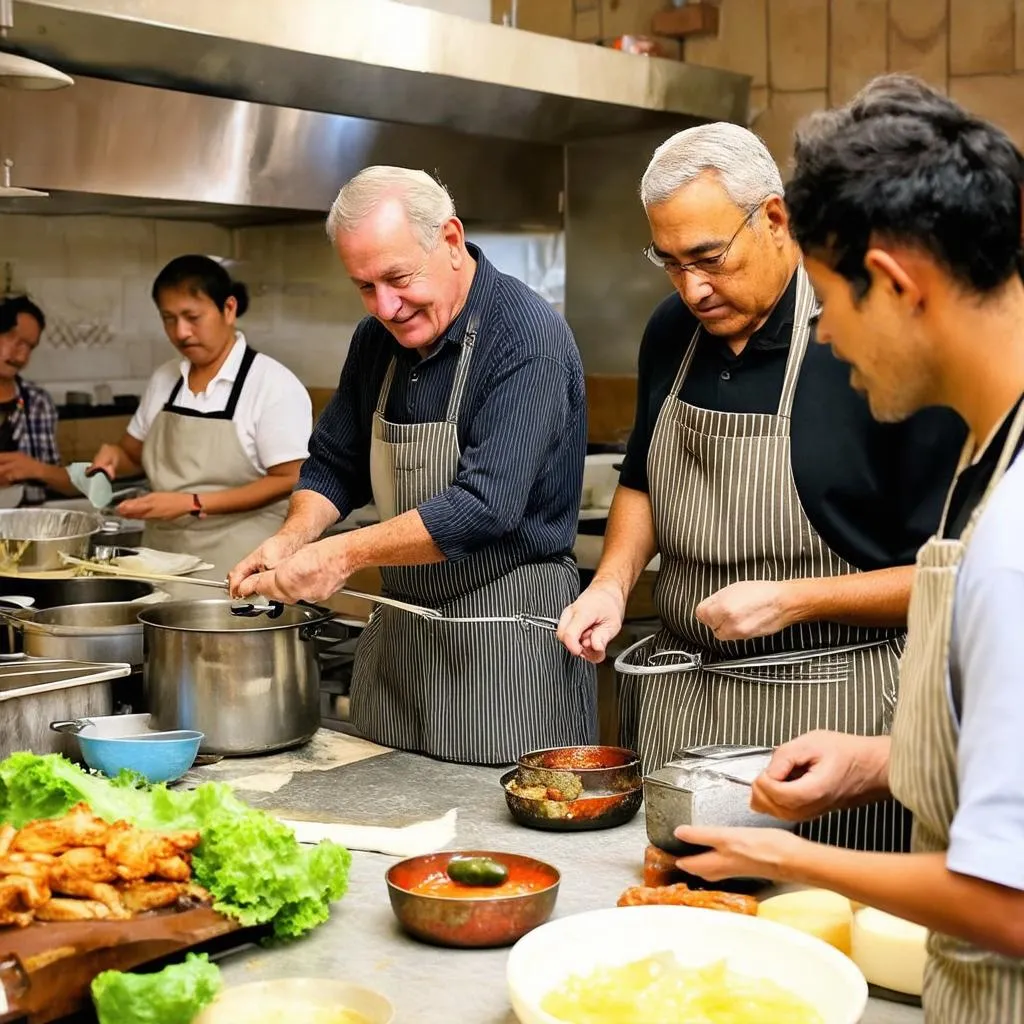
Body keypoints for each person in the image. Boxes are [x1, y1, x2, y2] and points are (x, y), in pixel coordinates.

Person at [674, 75, 1024, 1021]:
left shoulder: (1017, 535)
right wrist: (878, 761)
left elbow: (1012, 903)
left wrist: (771, 854)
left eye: (827, 299)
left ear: (901, 285)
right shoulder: (991, 447)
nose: (823, 336)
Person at [556, 121, 966, 853]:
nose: (693, 289)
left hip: (828, 719)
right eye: (671, 263)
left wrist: (793, 598)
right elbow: (643, 480)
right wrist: (612, 585)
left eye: (710, 258)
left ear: (774, 218)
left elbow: (950, 578)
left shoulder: (864, 338)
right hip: (685, 712)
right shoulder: (671, 331)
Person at [230, 165, 596, 766]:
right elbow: (333, 463)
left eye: (398, 279)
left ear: (450, 241)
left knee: (493, 837)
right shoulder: (377, 340)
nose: (387, 307)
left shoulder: (526, 337)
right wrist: (294, 539)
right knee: (386, 809)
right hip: (403, 636)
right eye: (365, 287)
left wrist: (342, 554)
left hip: (503, 645)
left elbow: (484, 507)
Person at [89, 256, 312, 579]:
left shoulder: (272, 384)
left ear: (229, 309)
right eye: (168, 319)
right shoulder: (165, 378)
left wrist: (192, 503)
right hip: (159, 564)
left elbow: (289, 478)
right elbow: (131, 455)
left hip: (243, 568)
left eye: (192, 317)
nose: (181, 332)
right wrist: (112, 457)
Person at [0, 296, 69, 505]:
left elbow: (64, 482)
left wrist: (35, 469)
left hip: (27, 526)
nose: (20, 355)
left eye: (29, 346)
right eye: (13, 338)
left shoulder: (38, 403)